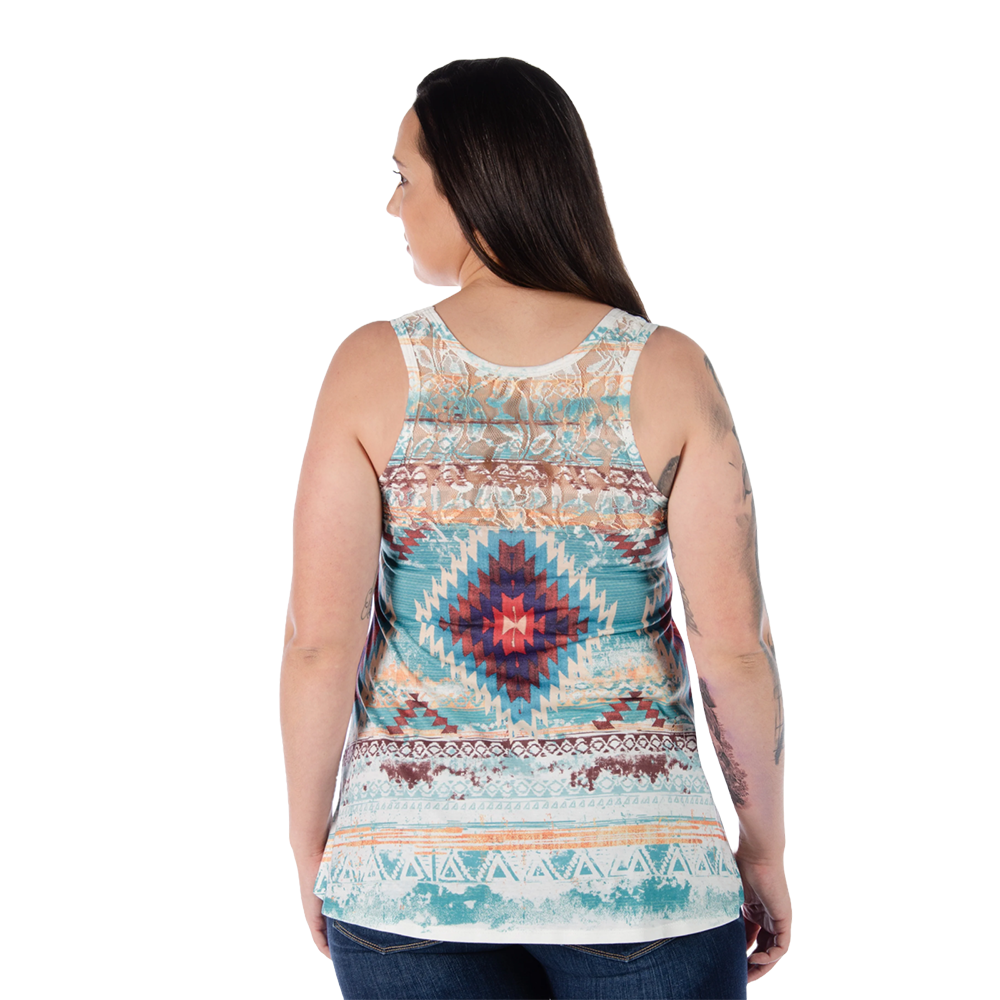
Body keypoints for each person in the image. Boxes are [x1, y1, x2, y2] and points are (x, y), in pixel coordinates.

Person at [280, 57, 790, 1000]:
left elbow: (319, 641)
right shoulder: (670, 369)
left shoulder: (370, 368)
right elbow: (735, 645)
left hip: (406, 883)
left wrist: (312, 841)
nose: (393, 206)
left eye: (404, 177)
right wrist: (763, 846)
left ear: (473, 185)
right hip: (647, 879)